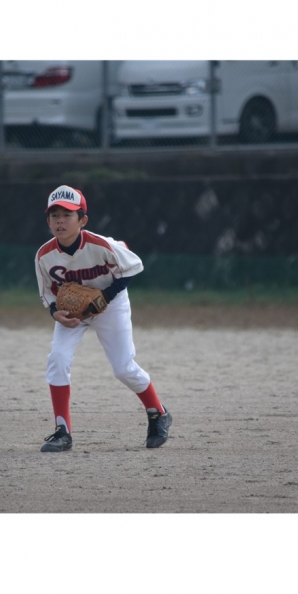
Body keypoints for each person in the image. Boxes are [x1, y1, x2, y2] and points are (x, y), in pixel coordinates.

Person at [35, 184, 172, 453]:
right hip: (72, 311)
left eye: (67, 215)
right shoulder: (44, 255)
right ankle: (62, 431)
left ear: (83, 220)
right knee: (57, 359)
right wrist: (55, 313)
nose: (60, 221)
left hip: (111, 304)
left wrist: (106, 296)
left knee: (123, 368)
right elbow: (47, 293)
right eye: (54, 215)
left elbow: (133, 266)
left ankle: (158, 412)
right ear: (48, 221)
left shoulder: (101, 244)